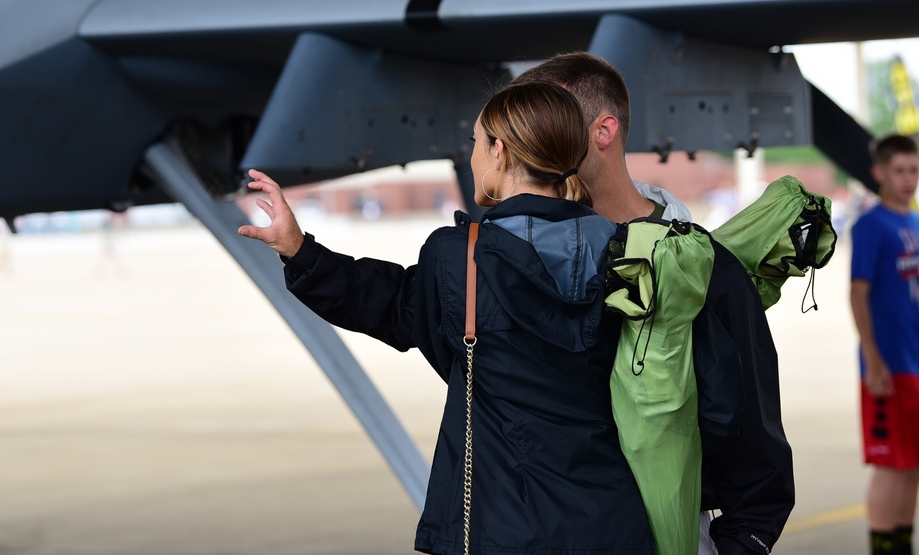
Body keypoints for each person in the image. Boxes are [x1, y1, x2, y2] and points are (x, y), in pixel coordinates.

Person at [238, 82, 656, 555]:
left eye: (477, 143)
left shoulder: (461, 259)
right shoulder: (633, 254)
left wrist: (299, 252)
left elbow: (394, 307)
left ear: (499, 152)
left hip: (503, 528)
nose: (474, 156)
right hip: (615, 521)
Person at [514, 52, 795, 555]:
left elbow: (751, 416)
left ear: (604, 132)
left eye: (549, 121)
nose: (530, 141)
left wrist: (744, 540)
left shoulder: (700, 261)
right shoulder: (517, 258)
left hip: (680, 529)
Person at [850, 134, 919, 555]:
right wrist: (873, 360)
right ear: (880, 173)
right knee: (890, 466)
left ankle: (902, 542)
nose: (908, 178)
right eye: (899, 170)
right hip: (888, 365)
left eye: (914, 170)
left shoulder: (914, 222)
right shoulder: (872, 225)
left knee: (912, 465)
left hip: (915, 362)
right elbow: (858, 294)